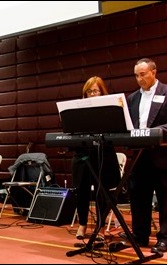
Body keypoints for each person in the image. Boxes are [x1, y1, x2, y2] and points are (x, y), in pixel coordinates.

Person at [126, 58, 167, 253]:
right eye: (136, 75)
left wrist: (156, 132)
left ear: (154, 72)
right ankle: (140, 236)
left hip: (163, 156)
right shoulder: (132, 98)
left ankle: (166, 238)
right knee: (138, 197)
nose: (139, 79)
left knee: (166, 199)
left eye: (142, 74)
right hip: (139, 156)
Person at [71, 76, 121, 239]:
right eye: (89, 92)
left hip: (103, 154)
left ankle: (99, 226)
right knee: (81, 191)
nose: (92, 94)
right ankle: (83, 224)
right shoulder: (78, 110)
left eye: (95, 91)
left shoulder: (110, 109)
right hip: (83, 154)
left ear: (102, 92)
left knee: (102, 192)